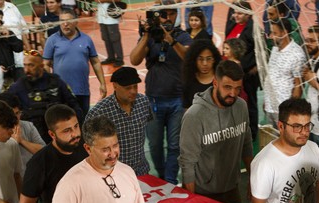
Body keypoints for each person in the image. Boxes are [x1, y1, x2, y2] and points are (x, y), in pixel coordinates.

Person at [130, 2, 192, 184]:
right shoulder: (150, 36)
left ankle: (170, 180)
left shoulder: (182, 36)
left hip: (178, 100)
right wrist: (147, 35)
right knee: (155, 144)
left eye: (172, 14)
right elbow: (134, 59)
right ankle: (163, 174)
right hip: (154, 99)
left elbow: (189, 57)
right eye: (164, 15)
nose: (168, 18)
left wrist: (170, 40)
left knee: (175, 145)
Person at [179, 60, 253, 203]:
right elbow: (187, 162)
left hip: (232, 189)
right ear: (215, 83)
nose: (233, 93)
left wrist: (253, 179)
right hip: (203, 193)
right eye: (227, 87)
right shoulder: (194, 116)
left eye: (237, 88)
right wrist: (192, 201)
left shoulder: (241, 106)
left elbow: (246, 144)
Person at [6, 50, 83, 144]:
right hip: (33, 135)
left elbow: (74, 105)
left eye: (31, 65)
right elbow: (4, 101)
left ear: (41, 66)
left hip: (59, 133)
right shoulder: (19, 86)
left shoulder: (56, 82)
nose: (26, 70)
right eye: (25, 65)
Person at [85, 67, 151, 176]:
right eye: (128, 88)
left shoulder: (143, 102)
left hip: (141, 170)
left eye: (135, 86)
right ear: (115, 86)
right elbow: (90, 147)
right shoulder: (98, 113)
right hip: (113, 174)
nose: (133, 91)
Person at [43, 8, 107, 114]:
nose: (65, 24)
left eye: (68, 21)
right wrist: (50, 84)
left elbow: (95, 62)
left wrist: (103, 84)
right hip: (60, 92)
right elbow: (46, 64)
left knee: (83, 122)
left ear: (76, 22)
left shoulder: (86, 39)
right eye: (62, 21)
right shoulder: (52, 40)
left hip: (82, 91)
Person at [225, 1, 259, 141]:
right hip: (232, 74)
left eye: (240, 13)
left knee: (249, 103)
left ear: (248, 14)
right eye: (235, 12)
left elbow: (260, 51)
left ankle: (252, 133)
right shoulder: (232, 24)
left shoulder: (253, 29)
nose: (236, 15)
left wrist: (254, 68)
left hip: (247, 75)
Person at [264, 18, 305, 127]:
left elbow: (298, 85)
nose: (271, 36)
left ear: (285, 33)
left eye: (275, 33)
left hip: (283, 109)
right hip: (270, 106)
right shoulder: (274, 49)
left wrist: (290, 110)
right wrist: (266, 100)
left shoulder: (296, 54)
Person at [182, 39, 221, 109]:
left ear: (214, 59)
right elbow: (187, 111)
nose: (205, 63)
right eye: (200, 59)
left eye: (209, 59)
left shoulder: (221, 80)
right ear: (194, 60)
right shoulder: (189, 81)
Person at [96, 0, 125, 67]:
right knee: (106, 38)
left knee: (115, 39)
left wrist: (102, 0)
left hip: (111, 17)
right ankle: (111, 57)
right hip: (101, 16)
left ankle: (119, 59)